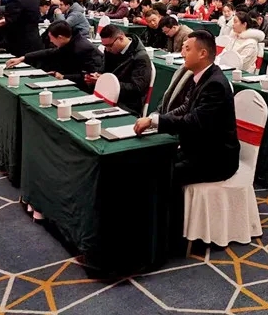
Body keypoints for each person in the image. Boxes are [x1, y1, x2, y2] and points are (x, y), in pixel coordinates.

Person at [133, 30, 240, 244]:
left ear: (202, 53)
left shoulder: (215, 84)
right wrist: (156, 118)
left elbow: (194, 122)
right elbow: (185, 108)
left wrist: (156, 122)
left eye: (187, 49)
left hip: (216, 158)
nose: (182, 53)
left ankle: (167, 237)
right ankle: (156, 228)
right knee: (153, 161)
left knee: (162, 173)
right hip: (197, 148)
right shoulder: (200, 76)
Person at [6, 21, 102, 89]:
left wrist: (64, 77)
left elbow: (90, 76)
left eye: (51, 38)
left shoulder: (83, 48)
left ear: (60, 37)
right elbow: (50, 52)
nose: (51, 41)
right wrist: (23, 58)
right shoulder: (70, 41)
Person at [86, 25, 152, 114]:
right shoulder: (110, 50)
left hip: (127, 104)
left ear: (121, 38)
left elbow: (137, 89)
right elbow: (104, 71)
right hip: (106, 95)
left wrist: (108, 82)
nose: (107, 49)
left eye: (109, 45)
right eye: (105, 46)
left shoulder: (140, 57)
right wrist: (95, 77)